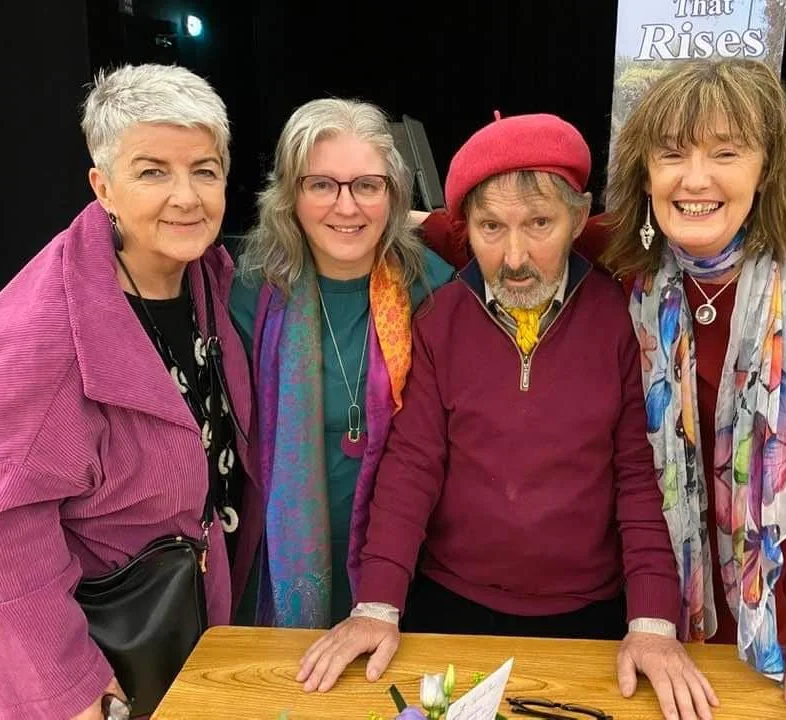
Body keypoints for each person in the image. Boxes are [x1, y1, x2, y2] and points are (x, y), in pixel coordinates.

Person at [422, 59, 786, 720]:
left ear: (767, 167)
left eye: (725, 152)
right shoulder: (629, 249)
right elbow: (494, 228)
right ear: (646, 171)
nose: (695, 179)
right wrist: (375, 218)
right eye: (672, 154)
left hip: (778, 601)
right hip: (652, 589)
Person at [298, 112, 720, 720]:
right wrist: (377, 605)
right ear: (463, 229)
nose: (515, 256)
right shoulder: (442, 318)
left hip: (590, 613)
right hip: (447, 605)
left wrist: (653, 621)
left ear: (579, 218)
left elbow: (639, 477)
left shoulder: (618, 320)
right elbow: (412, 468)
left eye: (540, 224)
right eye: (491, 227)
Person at [0, 64, 261, 719]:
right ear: (102, 186)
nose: (187, 196)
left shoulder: (205, 273)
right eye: (153, 171)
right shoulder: (39, 334)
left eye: (205, 170)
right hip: (104, 667)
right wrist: (73, 691)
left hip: (186, 633)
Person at [229, 98, 455, 630]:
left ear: (394, 195)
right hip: (280, 560)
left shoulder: (434, 291)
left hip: (408, 568)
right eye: (322, 184)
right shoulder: (248, 295)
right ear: (290, 193)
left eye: (367, 186)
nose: (346, 207)